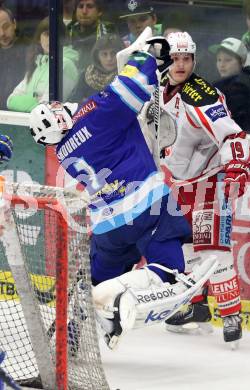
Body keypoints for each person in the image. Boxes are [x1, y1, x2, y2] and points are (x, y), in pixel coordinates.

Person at [29, 38, 218, 349]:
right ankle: (116, 299)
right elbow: (130, 87)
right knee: (168, 271)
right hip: (147, 207)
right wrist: (148, 55)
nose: (57, 106)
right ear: (58, 117)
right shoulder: (92, 116)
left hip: (107, 228)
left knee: (94, 278)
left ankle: (69, 332)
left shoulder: (62, 150)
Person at [143, 32, 250, 343]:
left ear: (194, 60)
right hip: (179, 184)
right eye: (175, 59)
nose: (180, 64)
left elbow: (232, 135)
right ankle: (195, 306)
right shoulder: (157, 91)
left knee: (213, 250)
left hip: (211, 180)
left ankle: (231, 316)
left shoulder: (200, 94)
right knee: (185, 249)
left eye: (186, 59)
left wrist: (237, 169)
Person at [7, 16, 79, 112]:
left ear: (63, 38)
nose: (51, 39)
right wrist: (34, 99)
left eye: (56, 34)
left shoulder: (65, 64)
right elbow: (10, 101)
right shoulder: (37, 64)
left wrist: (28, 99)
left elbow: (46, 109)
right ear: (38, 38)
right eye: (47, 34)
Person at [70, 34, 123, 103]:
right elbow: (74, 102)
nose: (109, 58)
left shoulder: (126, 75)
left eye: (113, 53)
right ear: (97, 57)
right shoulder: (87, 74)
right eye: (104, 54)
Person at [68, 0, 115, 71]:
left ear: (99, 12)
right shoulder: (68, 31)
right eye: (80, 6)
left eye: (89, 6)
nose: (84, 11)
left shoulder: (109, 30)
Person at [0, 6, 29, 110]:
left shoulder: (30, 50)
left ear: (14, 24)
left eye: (6, 26)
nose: (2, 33)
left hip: (19, 114)